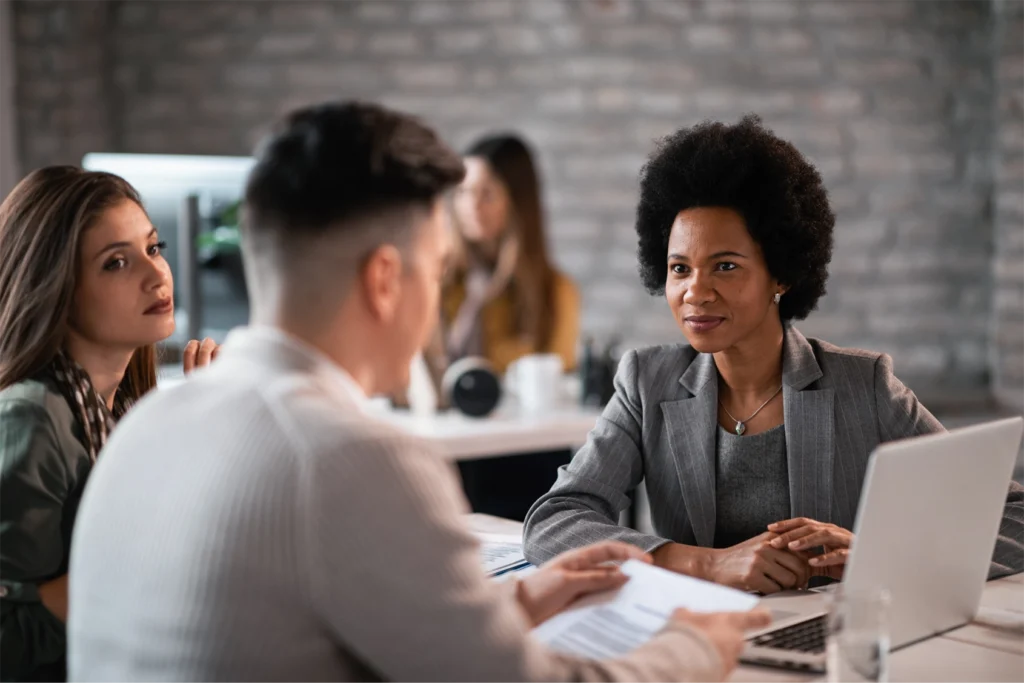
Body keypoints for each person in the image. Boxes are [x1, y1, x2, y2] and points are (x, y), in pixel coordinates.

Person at [67, 102, 768, 683]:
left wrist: (522, 598)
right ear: (383, 280)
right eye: (434, 270)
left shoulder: (149, 422)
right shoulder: (352, 456)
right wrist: (697, 645)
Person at [523, 115, 1024, 593]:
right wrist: (708, 564)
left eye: (724, 266)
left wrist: (877, 556)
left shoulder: (863, 386)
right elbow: (555, 522)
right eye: (680, 268)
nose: (695, 292)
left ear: (781, 274)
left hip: (825, 644)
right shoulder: (645, 382)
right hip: (698, 640)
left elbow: (1013, 519)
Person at [0, 167, 215, 682]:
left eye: (154, 248)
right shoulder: (32, 419)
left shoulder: (121, 408)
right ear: (58, 288)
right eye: (116, 262)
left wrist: (202, 436)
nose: (156, 274)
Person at [438, 134, 581, 521]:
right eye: (464, 192)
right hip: (449, 455)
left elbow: (555, 381)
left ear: (517, 201)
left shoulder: (555, 292)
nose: (471, 207)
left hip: (521, 460)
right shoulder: (438, 280)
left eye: (487, 194)